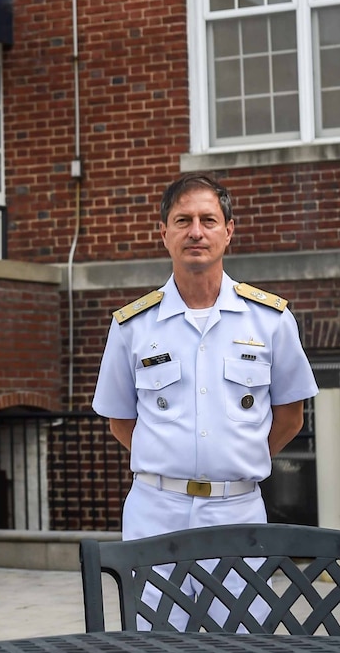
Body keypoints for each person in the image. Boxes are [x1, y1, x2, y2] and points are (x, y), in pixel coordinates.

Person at [92, 173, 318, 628]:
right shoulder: (133, 325)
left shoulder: (269, 319)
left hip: (237, 510)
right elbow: (120, 421)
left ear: (228, 230)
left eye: (208, 220)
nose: (196, 231)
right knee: (156, 649)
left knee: (243, 649)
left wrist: (237, 457)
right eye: (183, 220)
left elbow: (290, 416)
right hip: (156, 511)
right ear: (164, 233)